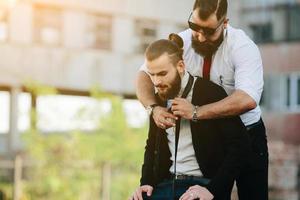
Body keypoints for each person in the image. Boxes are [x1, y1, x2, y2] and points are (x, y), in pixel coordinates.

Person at [136, 0, 268, 199]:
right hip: (209, 136)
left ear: (224, 23)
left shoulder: (242, 47)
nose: (200, 36)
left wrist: (196, 112)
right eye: (195, 27)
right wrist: (153, 109)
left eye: (208, 31)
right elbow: (144, 75)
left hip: (246, 134)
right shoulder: (181, 42)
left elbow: (247, 99)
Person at [129, 34, 250, 200]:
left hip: (203, 185)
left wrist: (213, 190)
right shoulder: (158, 100)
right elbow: (151, 145)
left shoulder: (211, 92)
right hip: (165, 184)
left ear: (180, 66)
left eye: (162, 73)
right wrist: (146, 182)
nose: (156, 82)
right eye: (152, 75)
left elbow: (241, 145)